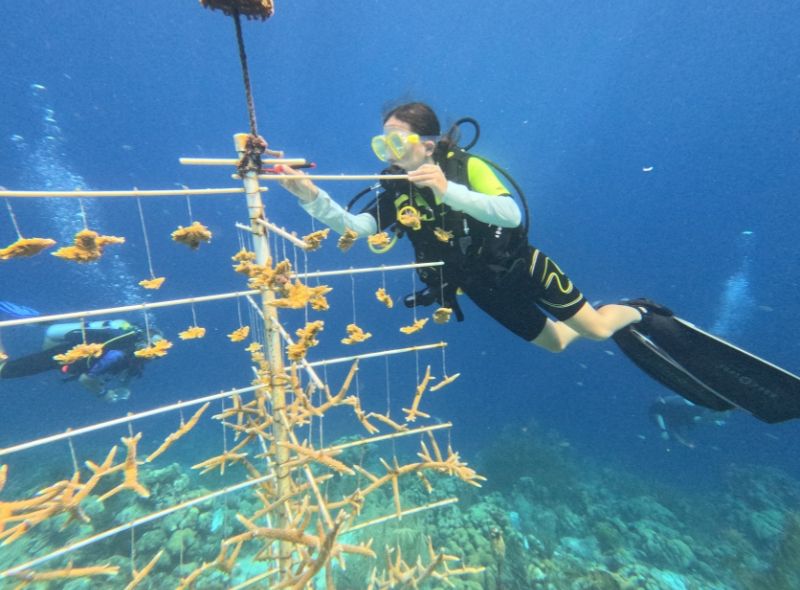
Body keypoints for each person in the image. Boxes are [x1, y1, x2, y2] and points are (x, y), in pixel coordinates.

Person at [277, 101, 647, 351]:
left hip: (519, 267)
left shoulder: (466, 168)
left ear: (428, 144)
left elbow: (511, 214)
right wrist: (309, 195)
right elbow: (357, 227)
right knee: (557, 344)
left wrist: (445, 190)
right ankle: (586, 317)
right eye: (382, 142)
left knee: (597, 331)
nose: (389, 151)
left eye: (396, 140)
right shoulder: (395, 188)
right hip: (477, 285)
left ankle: (638, 311)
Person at [0, 318, 150, 402]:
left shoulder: (135, 350)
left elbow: (130, 370)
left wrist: (125, 386)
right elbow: (86, 379)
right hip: (68, 353)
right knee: (5, 370)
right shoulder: (117, 355)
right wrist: (103, 394)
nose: (156, 355)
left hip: (75, 350)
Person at [649, 395, 728, 448]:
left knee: (699, 417)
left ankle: (716, 415)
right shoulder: (670, 408)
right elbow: (672, 428)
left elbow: (672, 428)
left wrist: (685, 442)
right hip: (688, 413)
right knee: (699, 417)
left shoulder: (670, 408)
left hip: (688, 413)